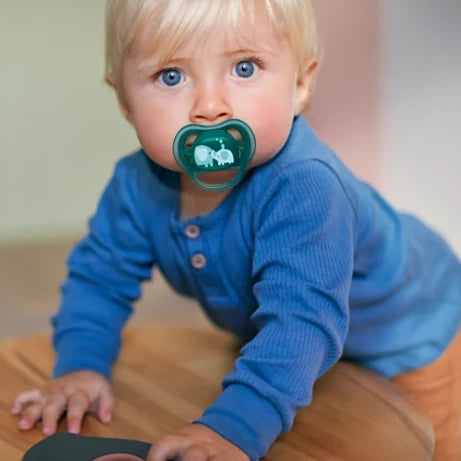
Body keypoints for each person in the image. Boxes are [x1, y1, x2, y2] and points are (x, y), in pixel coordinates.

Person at [11, 1, 461, 460]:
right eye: (171, 76)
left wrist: (233, 429)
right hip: (290, 336)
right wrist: (80, 366)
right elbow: (98, 281)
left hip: (409, 337)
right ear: (125, 100)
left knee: (425, 446)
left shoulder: (306, 187)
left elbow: (301, 322)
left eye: (244, 68)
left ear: (301, 84)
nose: (210, 107)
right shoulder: (137, 186)